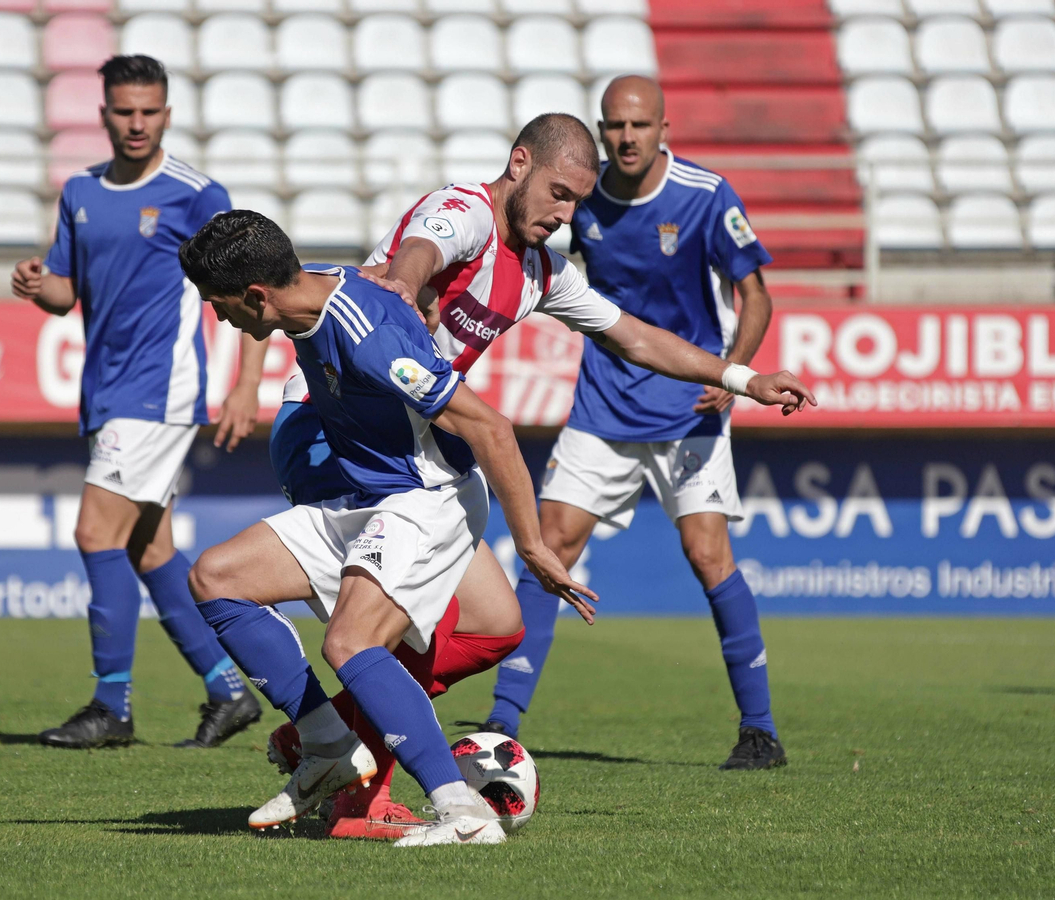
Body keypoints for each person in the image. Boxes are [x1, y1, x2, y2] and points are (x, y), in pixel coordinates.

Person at [262, 111, 817, 835]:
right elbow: (422, 250)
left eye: (578, 203)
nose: (565, 215)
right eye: (558, 193)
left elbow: (635, 337)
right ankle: (359, 795)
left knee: (495, 627)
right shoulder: (463, 212)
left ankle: (323, 734)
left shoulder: (539, 272)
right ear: (519, 164)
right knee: (401, 623)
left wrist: (743, 378)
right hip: (331, 428)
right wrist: (402, 285)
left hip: (405, 448)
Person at [178, 209, 601, 846]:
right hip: (364, 499)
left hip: (425, 499)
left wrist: (533, 545)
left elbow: (490, 428)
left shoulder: (369, 340)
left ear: (258, 296)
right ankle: (327, 744)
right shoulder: (314, 289)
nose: (220, 317)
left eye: (220, 304)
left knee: (351, 642)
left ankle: (463, 814)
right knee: (216, 578)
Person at [479, 76, 786, 770]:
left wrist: (734, 372)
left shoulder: (706, 196)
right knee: (551, 546)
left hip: (690, 407)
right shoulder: (580, 195)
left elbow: (756, 294)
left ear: (663, 129)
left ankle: (760, 731)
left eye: (640, 125)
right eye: (615, 125)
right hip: (604, 403)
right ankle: (502, 721)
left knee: (708, 555)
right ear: (601, 128)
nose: (626, 138)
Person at [10, 55, 265, 749]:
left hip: (158, 388)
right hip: (107, 388)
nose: (136, 123)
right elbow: (65, 292)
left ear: (167, 114)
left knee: (96, 534)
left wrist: (246, 383)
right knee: (150, 550)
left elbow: (255, 288)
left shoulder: (196, 195)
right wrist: (36, 284)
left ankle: (111, 707)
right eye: (124, 111)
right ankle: (228, 689)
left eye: (149, 111)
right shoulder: (80, 191)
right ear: (103, 114)